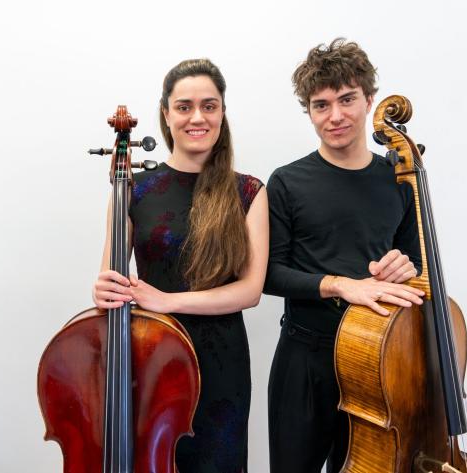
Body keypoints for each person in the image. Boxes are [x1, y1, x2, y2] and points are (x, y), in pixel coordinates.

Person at [92, 58, 268, 473]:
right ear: (167, 114)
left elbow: (250, 291)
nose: (197, 117)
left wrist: (167, 300)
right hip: (149, 361)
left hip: (220, 369)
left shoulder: (248, 191)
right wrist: (102, 291)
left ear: (222, 114)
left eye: (209, 106)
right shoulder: (133, 188)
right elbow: (109, 281)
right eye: (185, 106)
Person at [264, 38, 425, 473]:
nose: (335, 116)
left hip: (379, 361)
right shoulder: (286, 182)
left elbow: (416, 264)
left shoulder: (399, 178)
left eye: (347, 99)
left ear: (370, 99)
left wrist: (406, 268)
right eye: (321, 105)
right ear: (310, 111)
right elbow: (269, 275)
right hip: (305, 362)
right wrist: (339, 284)